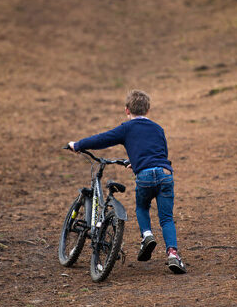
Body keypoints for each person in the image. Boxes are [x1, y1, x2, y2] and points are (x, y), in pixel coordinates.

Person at [68, 89, 186, 274]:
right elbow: (159, 152)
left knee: (141, 207)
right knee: (166, 218)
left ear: (127, 110)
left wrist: (78, 145)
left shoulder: (126, 128)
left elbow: (102, 139)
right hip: (164, 173)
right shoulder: (158, 128)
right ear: (148, 110)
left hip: (145, 176)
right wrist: (138, 161)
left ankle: (147, 235)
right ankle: (173, 255)